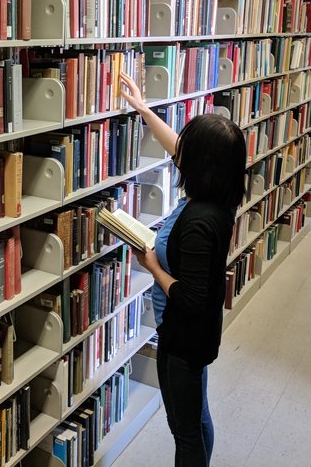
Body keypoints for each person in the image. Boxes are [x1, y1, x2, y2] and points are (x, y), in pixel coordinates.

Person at [119, 72, 246, 467]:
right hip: (200, 336)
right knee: (198, 416)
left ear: (201, 164)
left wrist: (152, 265)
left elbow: (190, 297)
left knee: (185, 432)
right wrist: (143, 109)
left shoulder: (198, 222)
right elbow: (178, 147)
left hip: (183, 340)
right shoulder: (220, 194)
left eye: (189, 151)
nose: (180, 153)